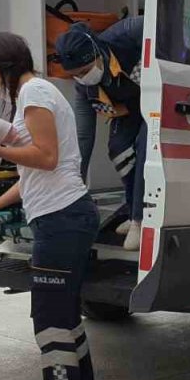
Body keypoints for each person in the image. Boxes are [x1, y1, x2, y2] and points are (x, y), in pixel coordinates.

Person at [0, 32, 98, 380]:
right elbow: (34, 174)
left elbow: (46, 157)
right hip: (65, 215)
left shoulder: (34, 92)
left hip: (62, 219)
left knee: (50, 323)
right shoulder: (34, 93)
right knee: (66, 320)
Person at [54, 17, 145, 250]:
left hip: (156, 96)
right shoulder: (84, 87)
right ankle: (133, 208)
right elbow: (83, 139)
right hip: (129, 106)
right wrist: (76, 187)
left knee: (145, 147)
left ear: (96, 52)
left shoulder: (124, 37)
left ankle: (139, 220)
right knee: (119, 148)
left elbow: (160, 20)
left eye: (85, 70)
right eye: (76, 75)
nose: (83, 77)